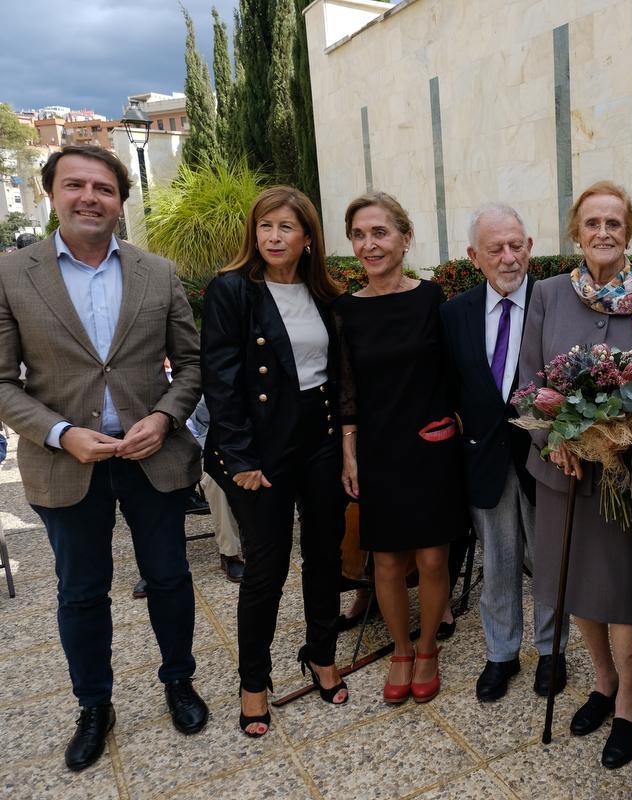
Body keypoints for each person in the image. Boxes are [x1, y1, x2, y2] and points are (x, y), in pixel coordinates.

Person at [0, 144, 209, 771]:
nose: (89, 197)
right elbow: (3, 381)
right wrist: (62, 432)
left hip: (153, 455)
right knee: (81, 592)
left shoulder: (158, 272)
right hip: (67, 463)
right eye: (75, 186)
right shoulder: (13, 274)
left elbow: (193, 363)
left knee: (169, 578)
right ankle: (95, 704)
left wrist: (166, 416)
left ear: (121, 201)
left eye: (104, 188)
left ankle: (179, 680)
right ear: (52, 195)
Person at [518, 180, 632, 769]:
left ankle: (630, 704)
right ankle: (603, 681)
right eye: (593, 223)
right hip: (563, 473)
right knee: (576, 585)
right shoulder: (548, 294)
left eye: (615, 222)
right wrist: (552, 438)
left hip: (624, 475)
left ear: (629, 230)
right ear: (576, 232)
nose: (604, 232)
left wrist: (617, 444)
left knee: (620, 589)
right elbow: (530, 383)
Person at [202, 185, 349, 738]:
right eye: (265, 226)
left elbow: (337, 376)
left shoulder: (325, 295)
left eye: (286, 227)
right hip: (259, 445)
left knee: (324, 555)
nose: (274, 237)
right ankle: (254, 683)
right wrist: (238, 456)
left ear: (308, 237)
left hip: (320, 435)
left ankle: (321, 653)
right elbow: (220, 378)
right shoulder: (232, 290)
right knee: (267, 567)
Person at [337, 192, 467, 706]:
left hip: (430, 446)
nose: (369, 245)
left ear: (404, 238)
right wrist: (349, 452)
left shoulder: (432, 298)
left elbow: (455, 372)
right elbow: (344, 386)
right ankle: (401, 649)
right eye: (359, 235)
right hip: (378, 448)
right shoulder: (345, 310)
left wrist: (454, 422)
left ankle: (429, 645)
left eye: (380, 233)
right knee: (386, 561)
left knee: (434, 559)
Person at [441, 202, 568, 702]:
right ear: (475, 256)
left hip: (545, 458)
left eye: (518, 245)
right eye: (497, 248)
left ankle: (551, 650)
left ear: (530, 247)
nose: (510, 257)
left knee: (547, 558)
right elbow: (450, 387)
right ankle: (501, 654)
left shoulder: (554, 302)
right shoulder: (454, 313)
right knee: (497, 561)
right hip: (484, 460)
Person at [185, 396, 244, 582]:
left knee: (216, 480)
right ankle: (230, 553)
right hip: (179, 453)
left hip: (212, 448)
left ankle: (232, 552)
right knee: (215, 480)